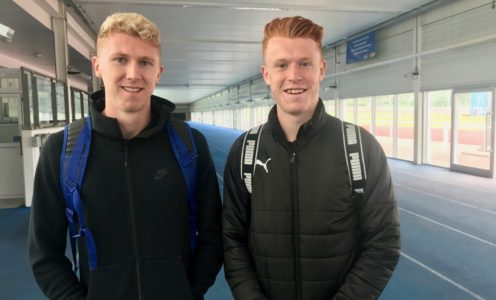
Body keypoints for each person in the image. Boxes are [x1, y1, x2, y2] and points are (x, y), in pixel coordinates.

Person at [28, 12, 222, 300]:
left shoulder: (190, 146)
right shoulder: (61, 151)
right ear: (97, 66)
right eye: (120, 59)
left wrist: (189, 292)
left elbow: (213, 236)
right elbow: (44, 255)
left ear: (158, 72)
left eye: (145, 62)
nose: (133, 73)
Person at [222, 16, 400, 300]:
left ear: (321, 69)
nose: (294, 75)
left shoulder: (360, 148)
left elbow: (384, 243)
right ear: (266, 74)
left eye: (305, 63)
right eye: (282, 65)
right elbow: (232, 239)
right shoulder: (245, 151)